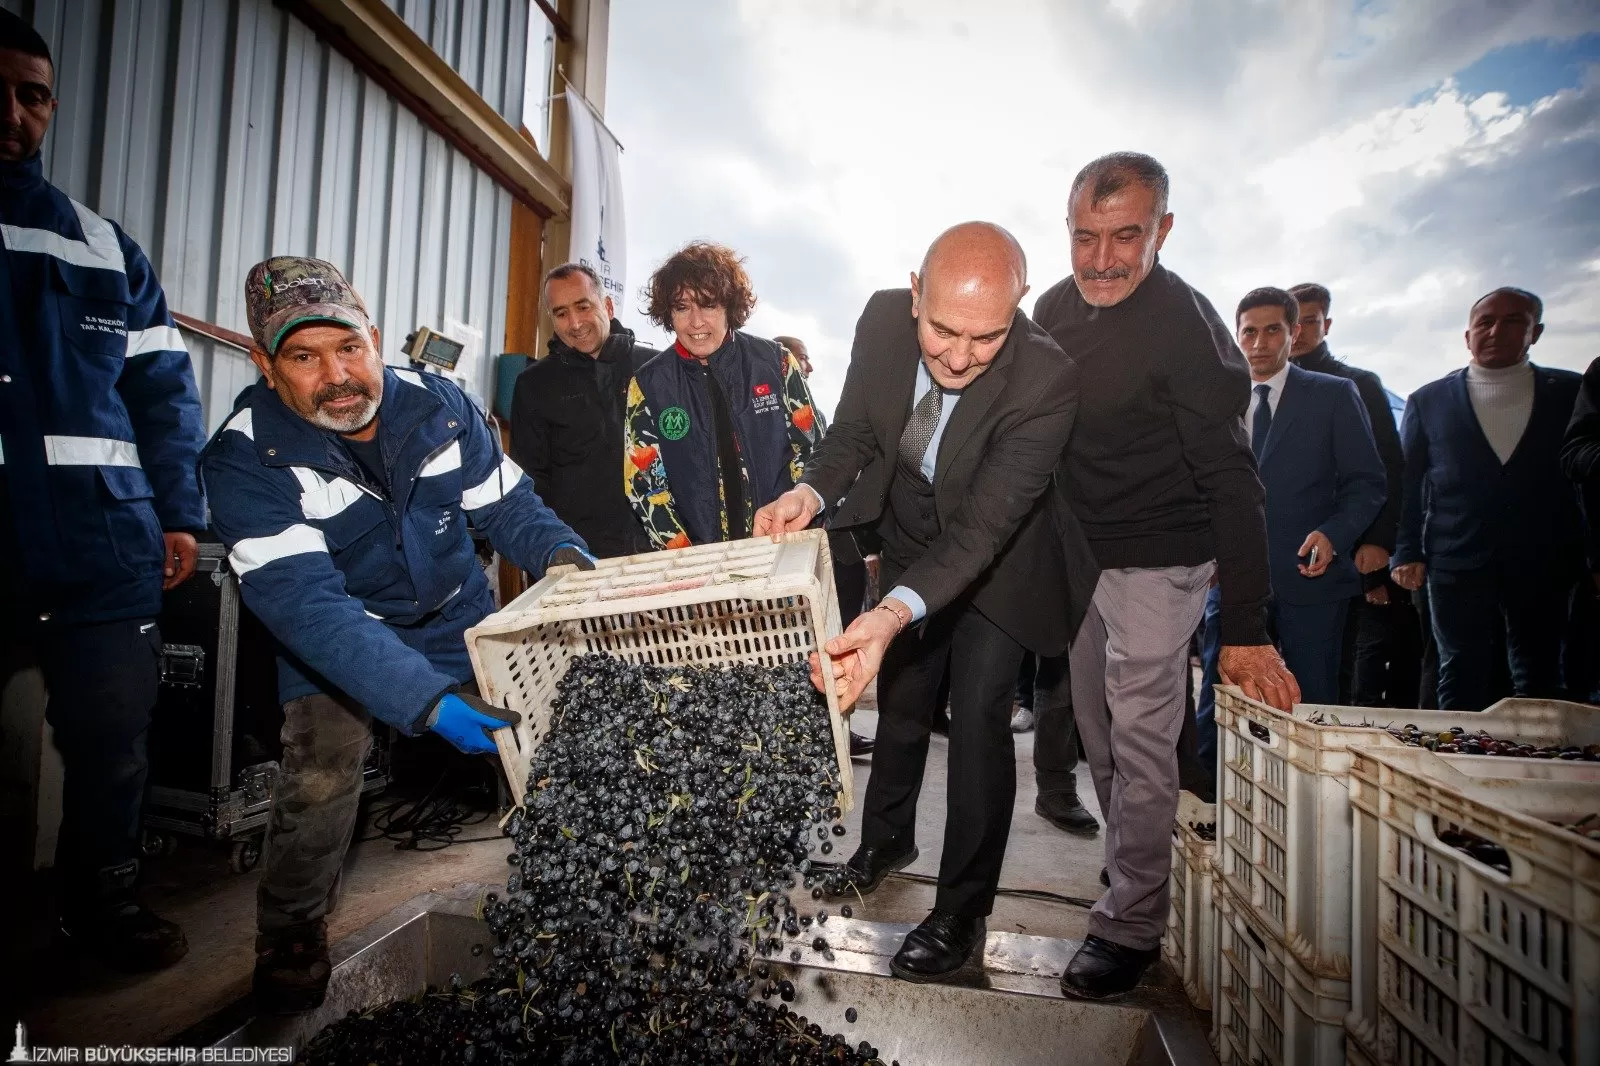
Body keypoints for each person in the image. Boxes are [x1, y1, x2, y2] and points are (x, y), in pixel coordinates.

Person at [201, 256, 592, 1013]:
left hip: (452, 611)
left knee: (551, 734)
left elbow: (508, 509)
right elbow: (308, 610)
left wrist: (562, 554)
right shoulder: (247, 457)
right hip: (341, 631)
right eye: (305, 358)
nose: (338, 375)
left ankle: (577, 885)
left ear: (374, 338)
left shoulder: (439, 406)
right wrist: (427, 703)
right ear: (264, 364)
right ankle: (291, 929)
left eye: (349, 348)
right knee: (321, 765)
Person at [755, 222, 1100, 983]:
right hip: (911, 532)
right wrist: (808, 491)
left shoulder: (1047, 378)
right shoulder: (881, 319)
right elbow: (853, 434)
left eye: (986, 338)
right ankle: (885, 842)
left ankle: (961, 912)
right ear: (915, 292)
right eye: (942, 329)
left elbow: (982, 530)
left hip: (998, 563)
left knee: (977, 717)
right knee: (905, 699)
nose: (957, 355)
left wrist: (886, 613)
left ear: (1018, 308)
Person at [1033, 152, 1298, 1000]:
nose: (1103, 259)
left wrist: (1247, 626)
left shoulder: (1187, 325)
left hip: (1163, 559)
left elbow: (1232, 476)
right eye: (1085, 237)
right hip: (1081, 554)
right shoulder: (1051, 307)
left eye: (1126, 237)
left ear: (1163, 231)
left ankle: (1132, 923)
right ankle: (1137, 872)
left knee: (1144, 737)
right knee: (1096, 737)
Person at [0, 11, 205, 972]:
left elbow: (163, 392)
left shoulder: (102, 246)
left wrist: (179, 515)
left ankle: (105, 910)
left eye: (33, 95)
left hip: (103, 544)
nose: (15, 113)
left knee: (114, 740)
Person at [1194, 288, 1385, 724]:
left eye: (1272, 330)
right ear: (1236, 335)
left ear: (1294, 331)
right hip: (1229, 580)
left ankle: (1313, 792)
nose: (1259, 343)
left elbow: (1367, 482)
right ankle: (1214, 789)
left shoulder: (1335, 394)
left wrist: (1335, 534)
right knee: (1219, 703)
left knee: (1311, 703)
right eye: (1249, 332)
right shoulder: (1216, 398)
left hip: (1311, 578)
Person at [1392, 287, 1584, 710]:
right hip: (1455, 557)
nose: (1497, 330)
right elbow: (1407, 483)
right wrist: (1405, 551)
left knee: (1541, 670)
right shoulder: (1429, 399)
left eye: (1514, 321)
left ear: (1536, 331)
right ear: (1468, 335)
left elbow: (1585, 478)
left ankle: (1537, 766)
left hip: (1545, 558)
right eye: (1485, 322)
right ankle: (1456, 766)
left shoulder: (1570, 393)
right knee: (1459, 666)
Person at [624, 242, 819, 548]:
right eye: (682, 307)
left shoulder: (776, 363)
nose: (696, 321)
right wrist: (686, 559)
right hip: (698, 571)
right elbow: (644, 487)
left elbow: (811, 454)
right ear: (668, 313)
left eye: (709, 304)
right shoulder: (648, 384)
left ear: (730, 306)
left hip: (782, 548)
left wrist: (792, 532)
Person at [772, 333, 875, 760]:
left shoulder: (813, 411)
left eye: (808, 361)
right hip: (794, 541)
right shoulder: (776, 399)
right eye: (801, 359)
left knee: (839, 631)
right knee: (809, 641)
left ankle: (837, 727)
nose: (807, 367)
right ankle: (816, 733)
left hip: (837, 539)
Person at [508, 262, 657, 558]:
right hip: (583, 557)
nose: (575, 323)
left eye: (583, 306)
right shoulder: (534, 385)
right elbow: (530, 483)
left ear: (608, 306)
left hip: (661, 549)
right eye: (561, 313)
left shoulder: (656, 369)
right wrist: (554, 549)